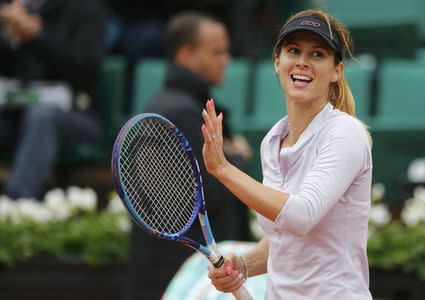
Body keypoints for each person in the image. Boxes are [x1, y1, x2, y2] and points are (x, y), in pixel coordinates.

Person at [202, 9, 373, 299]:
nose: (303, 62)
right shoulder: (272, 141)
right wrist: (243, 265)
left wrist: (222, 168)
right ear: (278, 62)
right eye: (294, 51)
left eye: (317, 54)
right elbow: (284, 239)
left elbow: (300, 215)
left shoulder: (345, 133)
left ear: (337, 70)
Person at [124, 11, 251, 300]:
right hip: (177, 279)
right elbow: (210, 192)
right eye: (217, 52)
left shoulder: (175, 105)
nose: (226, 60)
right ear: (186, 55)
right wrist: (238, 159)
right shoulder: (180, 112)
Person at [0, 0, 106, 199]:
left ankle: (17, 207)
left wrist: (37, 37)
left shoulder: (87, 9)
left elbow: (85, 70)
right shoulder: (14, 10)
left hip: (76, 115)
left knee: (41, 116)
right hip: (14, 113)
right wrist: (10, 37)